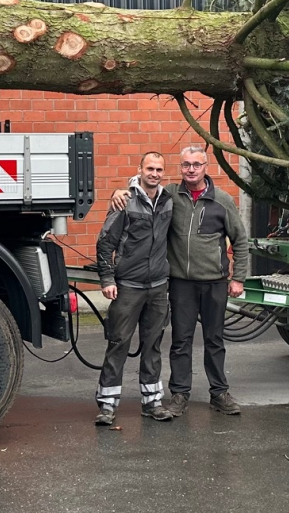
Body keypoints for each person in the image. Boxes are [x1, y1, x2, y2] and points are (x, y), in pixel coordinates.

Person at [110, 144, 249, 416]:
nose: (191, 170)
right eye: (186, 165)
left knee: (214, 339)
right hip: (180, 283)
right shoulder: (171, 195)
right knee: (180, 341)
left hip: (215, 281)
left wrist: (238, 278)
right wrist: (121, 191)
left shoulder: (222, 200)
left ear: (206, 167)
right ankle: (179, 395)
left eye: (196, 165)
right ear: (181, 168)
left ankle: (219, 393)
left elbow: (240, 240)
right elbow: (144, 187)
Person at [93, 151, 176, 426]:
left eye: (159, 169)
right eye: (150, 168)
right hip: (128, 286)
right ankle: (106, 405)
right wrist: (107, 280)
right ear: (139, 169)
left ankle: (152, 402)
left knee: (153, 346)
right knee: (118, 344)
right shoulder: (124, 201)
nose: (154, 173)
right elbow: (105, 243)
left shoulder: (168, 200)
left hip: (157, 287)